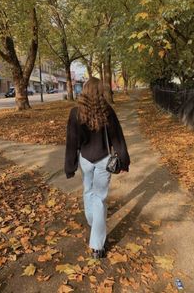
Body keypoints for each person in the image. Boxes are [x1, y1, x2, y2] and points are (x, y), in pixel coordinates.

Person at [65, 77, 130, 259]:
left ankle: (94, 226)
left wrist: (70, 166)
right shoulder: (107, 111)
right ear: (100, 91)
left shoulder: (75, 112)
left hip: (85, 160)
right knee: (99, 199)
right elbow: (118, 138)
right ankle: (97, 247)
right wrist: (124, 161)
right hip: (103, 160)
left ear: (84, 91)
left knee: (88, 192)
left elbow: (72, 143)